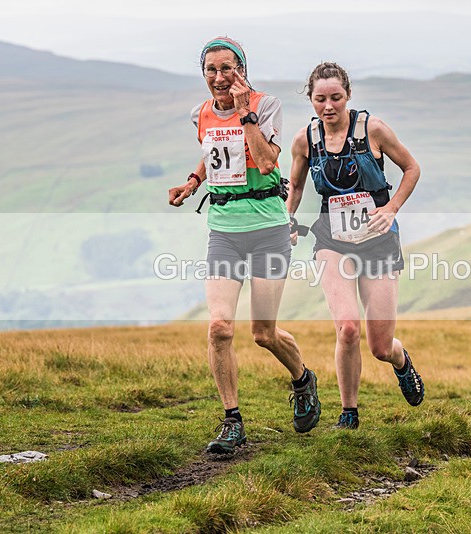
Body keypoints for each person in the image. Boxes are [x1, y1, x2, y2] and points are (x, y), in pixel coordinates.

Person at [168, 37, 321, 454]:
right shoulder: (199, 113)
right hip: (223, 231)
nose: (220, 77)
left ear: (242, 69)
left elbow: (267, 160)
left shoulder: (265, 104)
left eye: (228, 68)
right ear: (203, 74)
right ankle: (232, 420)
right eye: (212, 70)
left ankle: (303, 379)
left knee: (263, 333)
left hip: (268, 228)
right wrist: (193, 182)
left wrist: (244, 112)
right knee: (219, 328)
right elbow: (213, 151)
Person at [287, 62, 424, 429]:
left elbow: (412, 168)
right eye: (320, 99)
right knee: (347, 328)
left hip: (378, 241)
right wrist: (288, 218)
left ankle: (401, 362)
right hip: (332, 239)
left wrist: (391, 207)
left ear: (348, 95)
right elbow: (296, 186)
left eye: (336, 97)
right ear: (311, 99)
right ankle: (349, 414)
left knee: (380, 345)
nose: (328, 105)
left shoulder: (372, 129)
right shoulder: (305, 140)